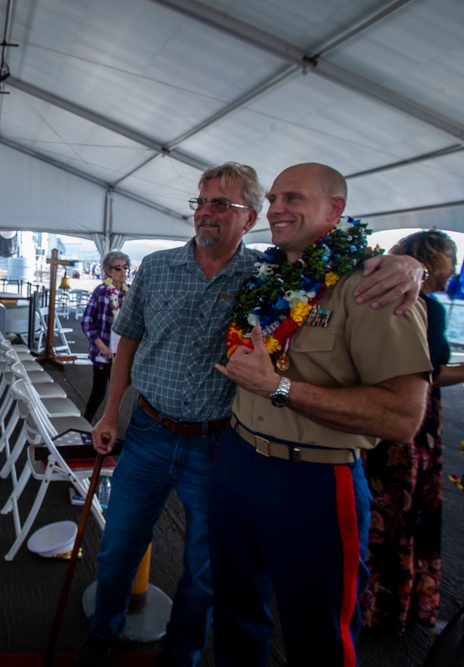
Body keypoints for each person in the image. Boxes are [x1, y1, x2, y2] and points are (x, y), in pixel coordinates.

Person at [75, 162, 425, 667]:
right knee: (122, 547)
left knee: (209, 572)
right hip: (158, 431)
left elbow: (347, 267)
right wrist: (111, 414)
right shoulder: (164, 267)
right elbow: (128, 339)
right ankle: (103, 632)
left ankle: (183, 654)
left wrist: (405, 264)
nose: (206, 213)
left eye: (222, 204)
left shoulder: (266, 274)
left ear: (250, 217)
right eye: (201, 202)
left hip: (221, 444)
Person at [211, 163, 432, 667]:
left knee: (318, 632)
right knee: (234, 612)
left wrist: (279, 387)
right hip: (238, 459)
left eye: (292, 197)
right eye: (271, 199)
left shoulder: (374, 287)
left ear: (335, 210)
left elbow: (402, 417)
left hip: (313, 478)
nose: (275, 209)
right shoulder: (267, 274)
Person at [362, 230, 464, 635]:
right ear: (437, 262)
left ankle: (365, 600)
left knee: (374, 516)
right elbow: (428, 376)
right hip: (411, 430)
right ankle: (395, 605)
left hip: (373, 425)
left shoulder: (376, 298)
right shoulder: (428, 308)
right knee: (405, 516)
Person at [79, 250, 130, 421]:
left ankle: (110, 426)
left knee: (118, 395)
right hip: (103, 352)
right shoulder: (101, 291)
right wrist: (101, 346)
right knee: (99, 392)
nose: (123, 271)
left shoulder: (129, 294)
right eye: (118, 268)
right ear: (108, 272)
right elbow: (86, 321)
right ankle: (84, 426)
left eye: (125, 267)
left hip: (122, 353)